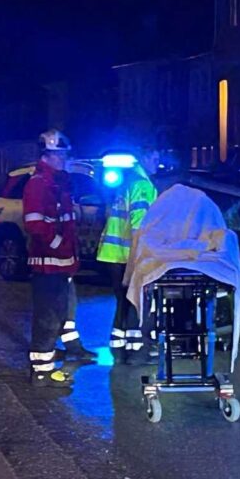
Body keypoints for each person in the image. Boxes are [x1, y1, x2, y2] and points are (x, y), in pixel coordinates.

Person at [23, 129, 80, 389]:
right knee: (47, 317)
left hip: (59, 262)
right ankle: (41, 373)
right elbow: (35, 224)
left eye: (64, 155)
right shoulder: (39, 184)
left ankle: (45, 368)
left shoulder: (57, 183)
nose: (64, 159)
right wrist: (59, 246)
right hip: (47, 262)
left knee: (56, 315)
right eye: (60, 155)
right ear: (46, 156)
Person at [96, 148, 159, 364]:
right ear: (144, 158)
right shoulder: (142, 185)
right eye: (155, 158)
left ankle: (118, 347)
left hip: (112, 254)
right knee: (136, 301)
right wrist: (141, 257)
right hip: (128, 254)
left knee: (122, 302)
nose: (158, 164)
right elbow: (138, 226)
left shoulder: (127, 182)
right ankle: (137, 351)